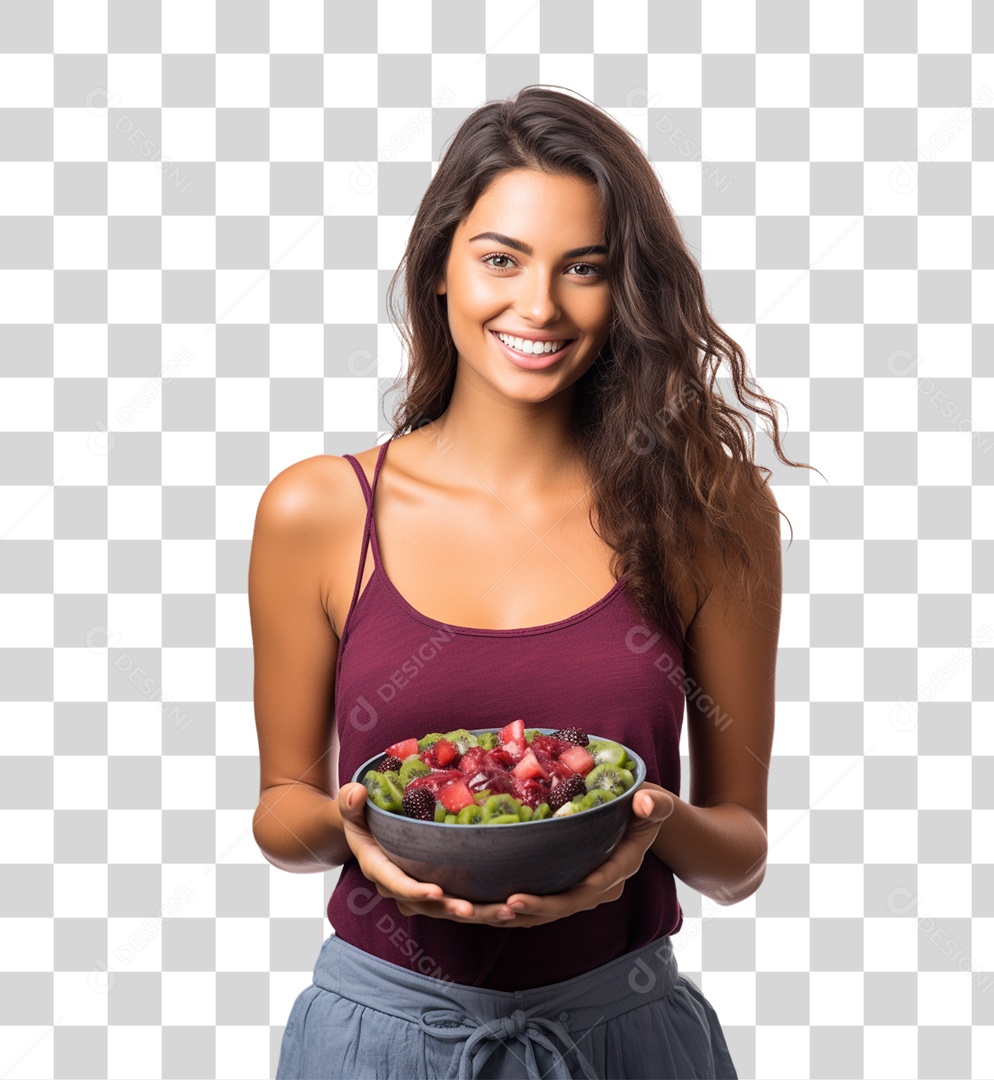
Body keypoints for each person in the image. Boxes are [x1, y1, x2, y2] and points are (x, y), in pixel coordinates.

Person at [250, 85, 813, 1080]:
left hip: (624, 1037)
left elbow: (740, 856)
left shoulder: (711, 510)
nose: (539, 306)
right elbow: (282, 807)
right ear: (438, 270)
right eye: (501, 258)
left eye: (583, 269)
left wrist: (650, 824)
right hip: (375, 1042)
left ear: (624, 289)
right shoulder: (318, 510)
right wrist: (353, 830)